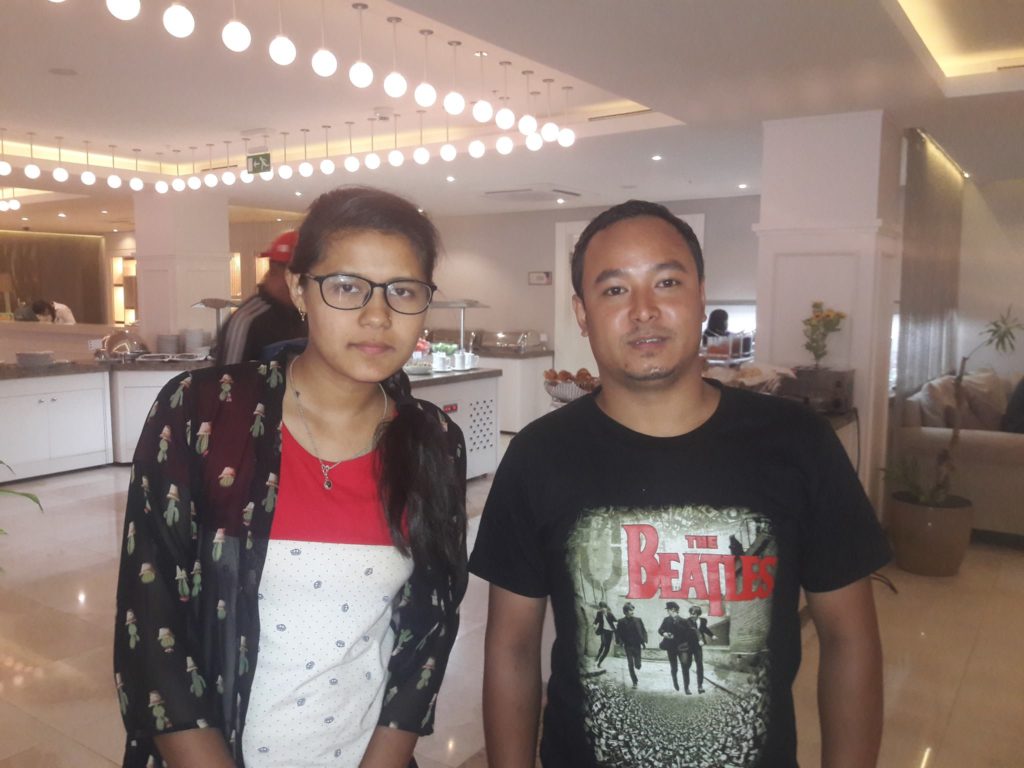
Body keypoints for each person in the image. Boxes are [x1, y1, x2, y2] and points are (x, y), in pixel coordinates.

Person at [470, 199, 890, 767]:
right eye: (614, 289)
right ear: (581, 313)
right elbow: (512, 649)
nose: (644, 310)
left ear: (701, 296)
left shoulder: (798, 443)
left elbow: (849, 640)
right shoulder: (539, 455)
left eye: (667, 282)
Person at [114, 186, 468, 768]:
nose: (377, 316)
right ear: (301, 290)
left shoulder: (433, 439)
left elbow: (428, 632)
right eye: (347, 287)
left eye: (403, 291)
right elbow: (151, 630)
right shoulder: (200, 413)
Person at [214, 230, 308, 366]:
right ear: (276, 270)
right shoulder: (247, 320)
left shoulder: (306, 315)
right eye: (302, 277)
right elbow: (227, 375)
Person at [657, 602, 692, 693]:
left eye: (668, 610)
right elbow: (660, 630)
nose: (667, 612)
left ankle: (686, 688)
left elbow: (688, 633)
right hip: (671, 647)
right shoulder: (666, 620)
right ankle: (675, 682)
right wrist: (664, 633)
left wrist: (676, 623)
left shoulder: (684, 621)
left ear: (673, 610)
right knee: (674, 667)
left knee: (685, 667)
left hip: (682, 647)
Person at [683, 605, 715, 694]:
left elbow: (704, 629)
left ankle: (700, 686)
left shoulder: (703, 621)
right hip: (689, 646)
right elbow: (686, 632)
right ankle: (686, 687)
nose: (692, 615)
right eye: (691, 613)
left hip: (698, 646)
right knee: (687, 665)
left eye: (694, 614)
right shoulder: (687, 621)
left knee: (699, 665)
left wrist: (712, 635)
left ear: (698, 614)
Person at [614, 603, 647, 688]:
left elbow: (643, 631)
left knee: (638, 665)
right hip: (628, 645)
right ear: (625, 612)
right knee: (630, 664)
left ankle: (638, 664)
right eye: (630, 610)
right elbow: (618, 633)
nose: (632, 612)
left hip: (637, 645)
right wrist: (620, 642)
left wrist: (644, 642)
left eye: (632, 610)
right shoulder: (621, 621)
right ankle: (634, 682)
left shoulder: (638, 620)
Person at [591, 601, 616, 667]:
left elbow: (615, 621)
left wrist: (615, 627)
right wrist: (594, 625)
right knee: (603, 644)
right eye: (601, 608)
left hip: (610, 632)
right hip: (603, 631)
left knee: (607, 649)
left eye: (604, 608)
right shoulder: (599, 613)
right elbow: (596, 620)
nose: (602, 609)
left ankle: (599, 662)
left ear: (606, 608)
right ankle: (596, 658)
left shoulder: (610, 614)